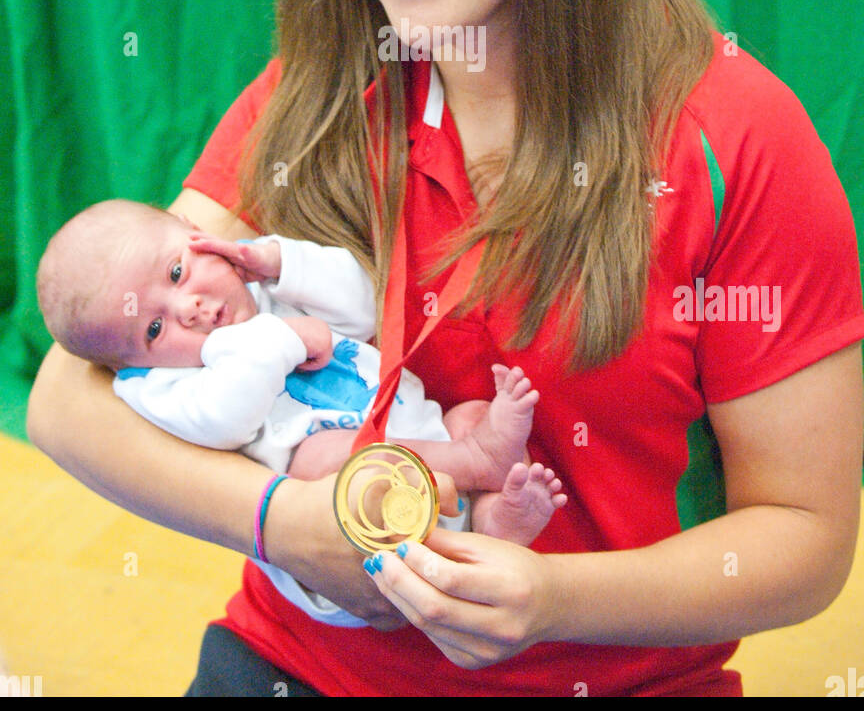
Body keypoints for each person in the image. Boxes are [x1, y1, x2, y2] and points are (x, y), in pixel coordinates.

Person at [27, 0, 864, 698]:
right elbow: (65, 395)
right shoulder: (323, 89)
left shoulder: (739, 136)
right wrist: (291, 525)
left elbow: (804, 539)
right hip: (300, 665)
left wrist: (554, 602)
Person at [35, 197, 566, 627]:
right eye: (153, 330)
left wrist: (282, 263)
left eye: (177, 271)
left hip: (420, 431)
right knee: (327, 460)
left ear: (191, 227)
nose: (189, 309)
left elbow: (364, 306)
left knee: (472, 411)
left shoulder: (259, 279)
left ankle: (492, 523)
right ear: (128, 365)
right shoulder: (160, 384)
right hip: (342, 517)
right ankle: (477, 462)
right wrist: (279, 336)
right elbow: (226, 420)